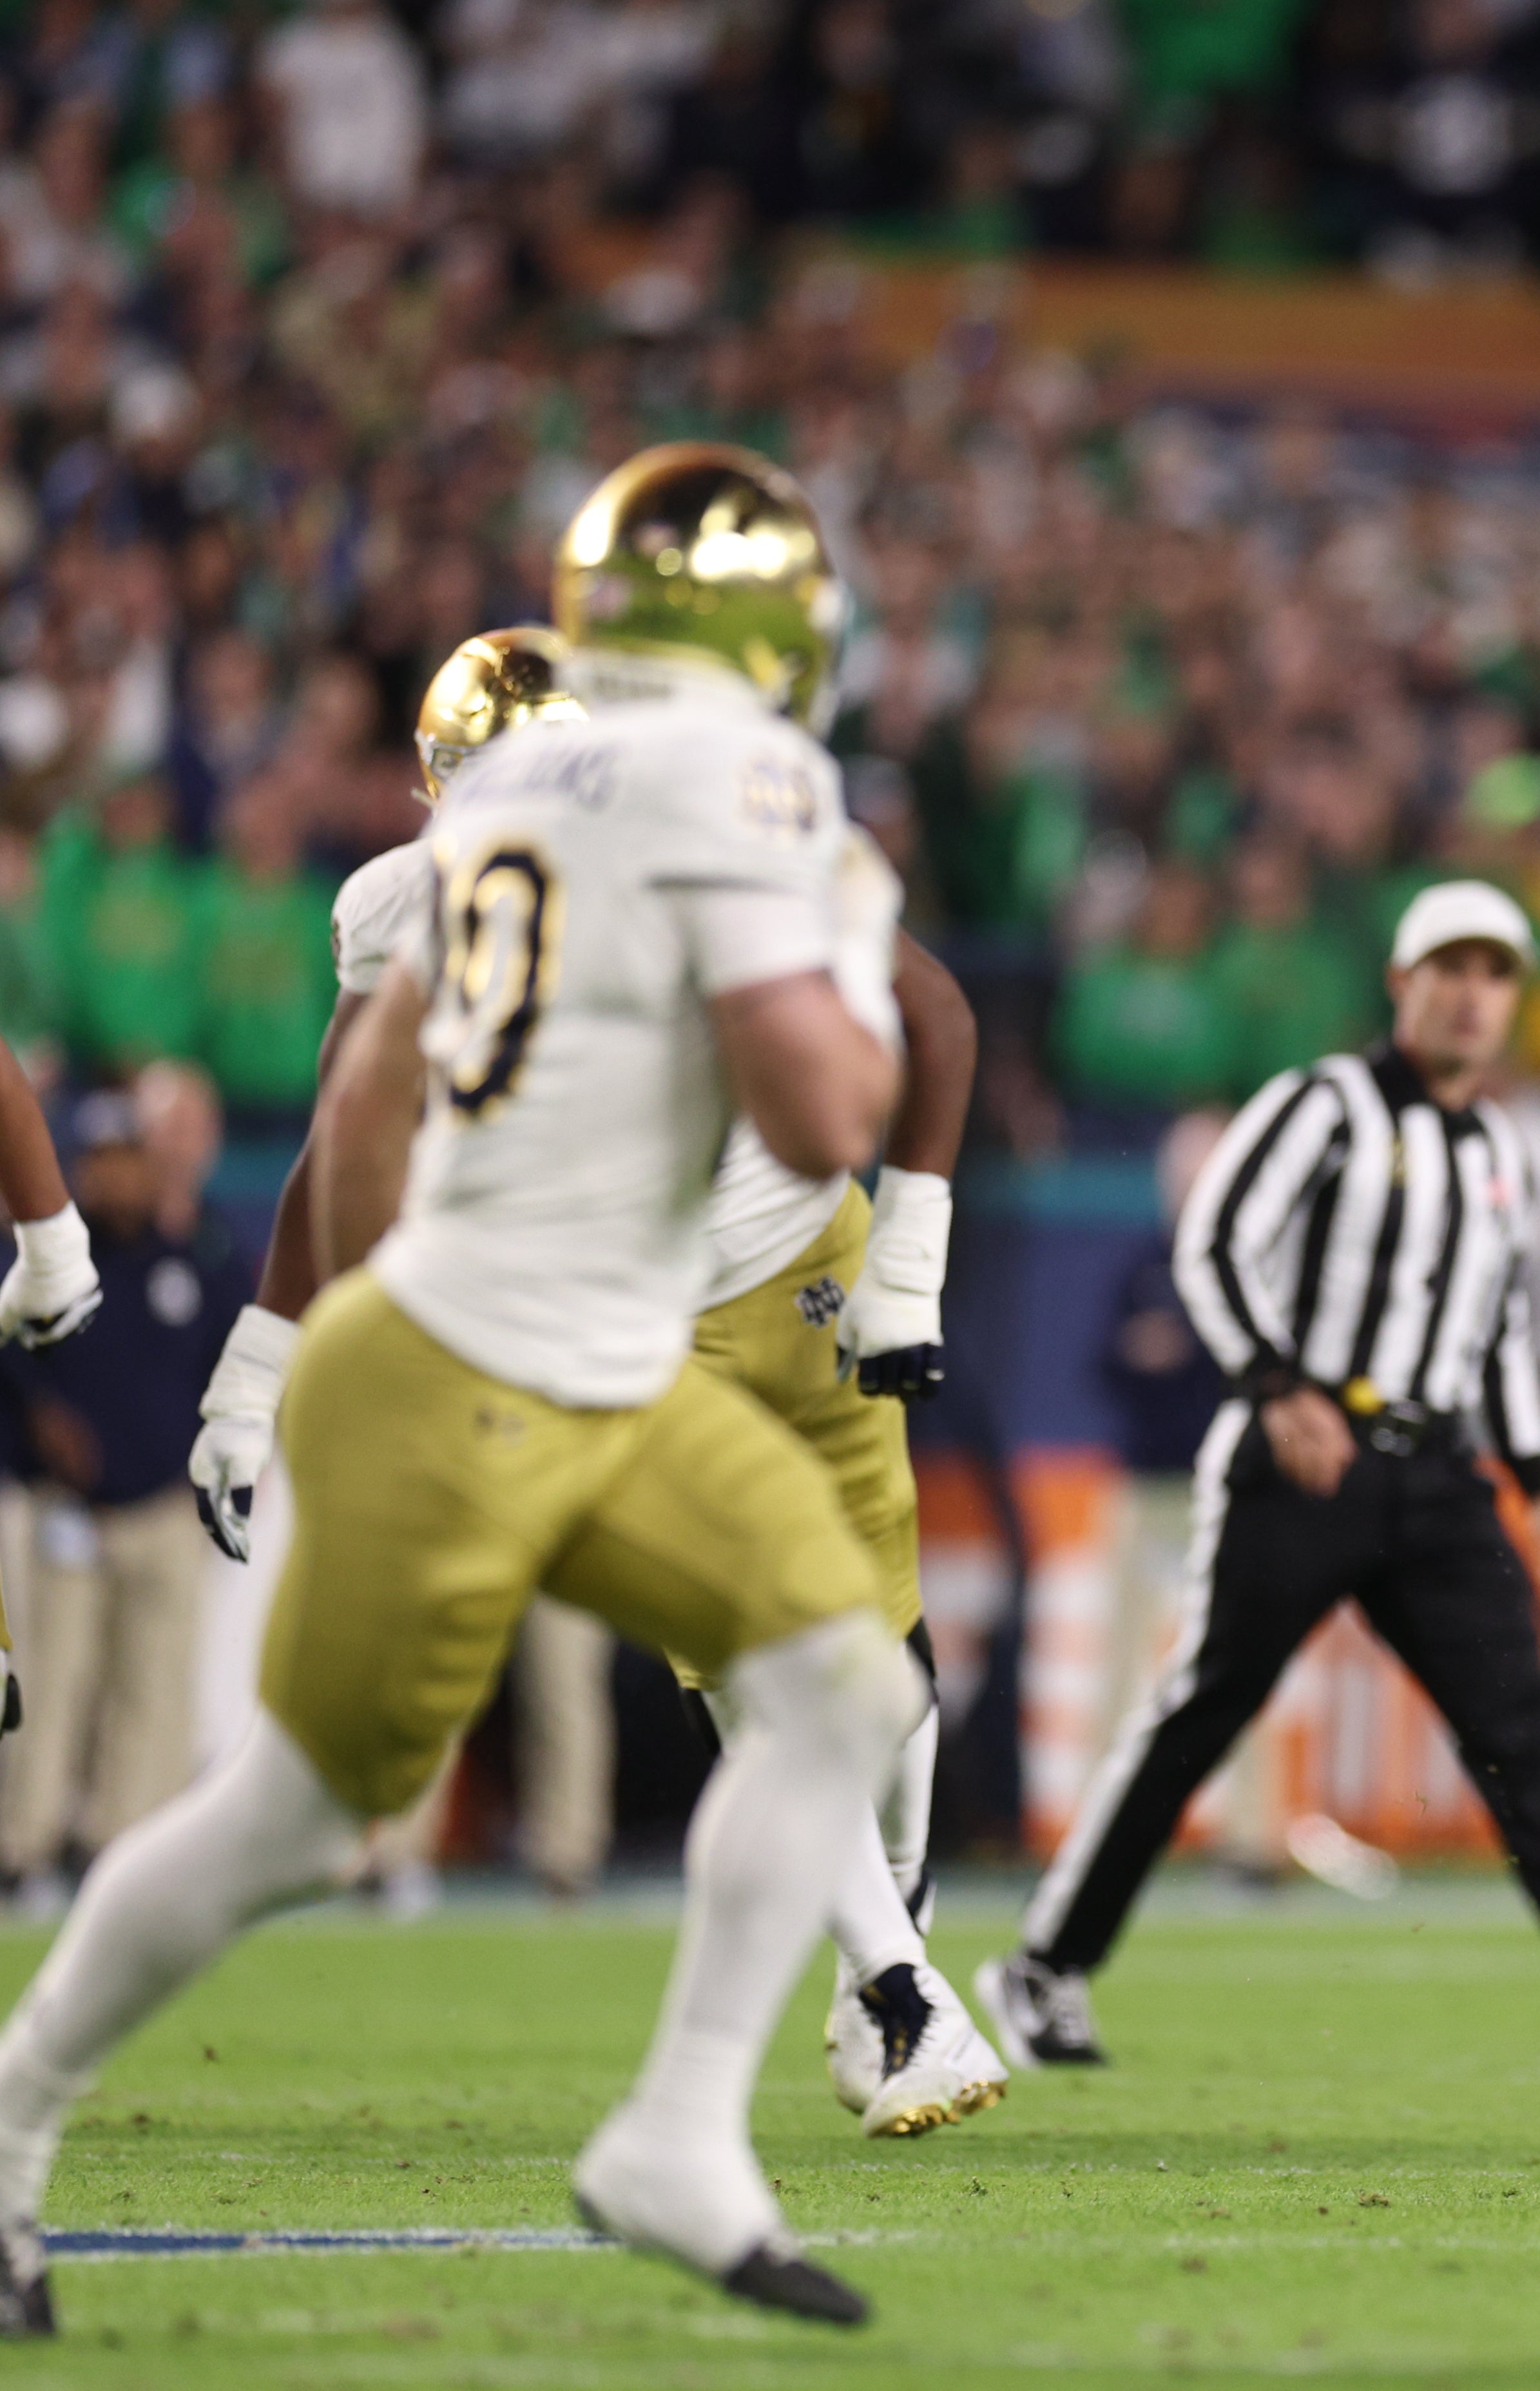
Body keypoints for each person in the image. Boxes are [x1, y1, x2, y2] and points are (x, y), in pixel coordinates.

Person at [0, 442, 930, 2332]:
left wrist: (303, 1339)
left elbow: (362, 1098)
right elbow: (821, 1105)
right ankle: (12, 2124)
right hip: (479, 1371)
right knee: (289, 1821)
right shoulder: (740, 780)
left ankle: (677, 2131)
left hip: (575, 1355)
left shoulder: (504, 794)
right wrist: (842, 960)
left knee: (836, 1669)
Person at [184, 615, 1006, 2137]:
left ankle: (887, 1929)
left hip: (803, 1263)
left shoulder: (724, 832)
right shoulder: (400, 910)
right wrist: (258, 1371)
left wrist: (907, 1265)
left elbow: (937, 1015)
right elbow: (336, 1151)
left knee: (886, 1686)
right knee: (770, 1667)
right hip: (628, 1313)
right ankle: (899, 1988)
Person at [981, 881, 1540, 2076]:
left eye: (1493, 974)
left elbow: (1495, 1332)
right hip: (1303, 1460)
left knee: (1519, 1730)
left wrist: (1538, 1478)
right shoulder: (1323, 1103)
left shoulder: (1499, 1148)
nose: (1471, 996)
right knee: (1202, 1711)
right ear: (1401, 982)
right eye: (1449, 970)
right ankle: (1045, 1962)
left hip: (1438, 1473)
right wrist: (1273, 1385)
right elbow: (1211, 1241)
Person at [0, 1086, 245, 1906]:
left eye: (125, 1159)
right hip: (67, 1511)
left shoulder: (198, 1258)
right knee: (50, 1681)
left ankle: (125, 1850)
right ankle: (25, 1848)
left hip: (164, 1508)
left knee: (156, 1689)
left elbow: (233, 1365)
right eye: (96, 1162)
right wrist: (40, 1418)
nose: (113, 1177)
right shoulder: (46, 1257)